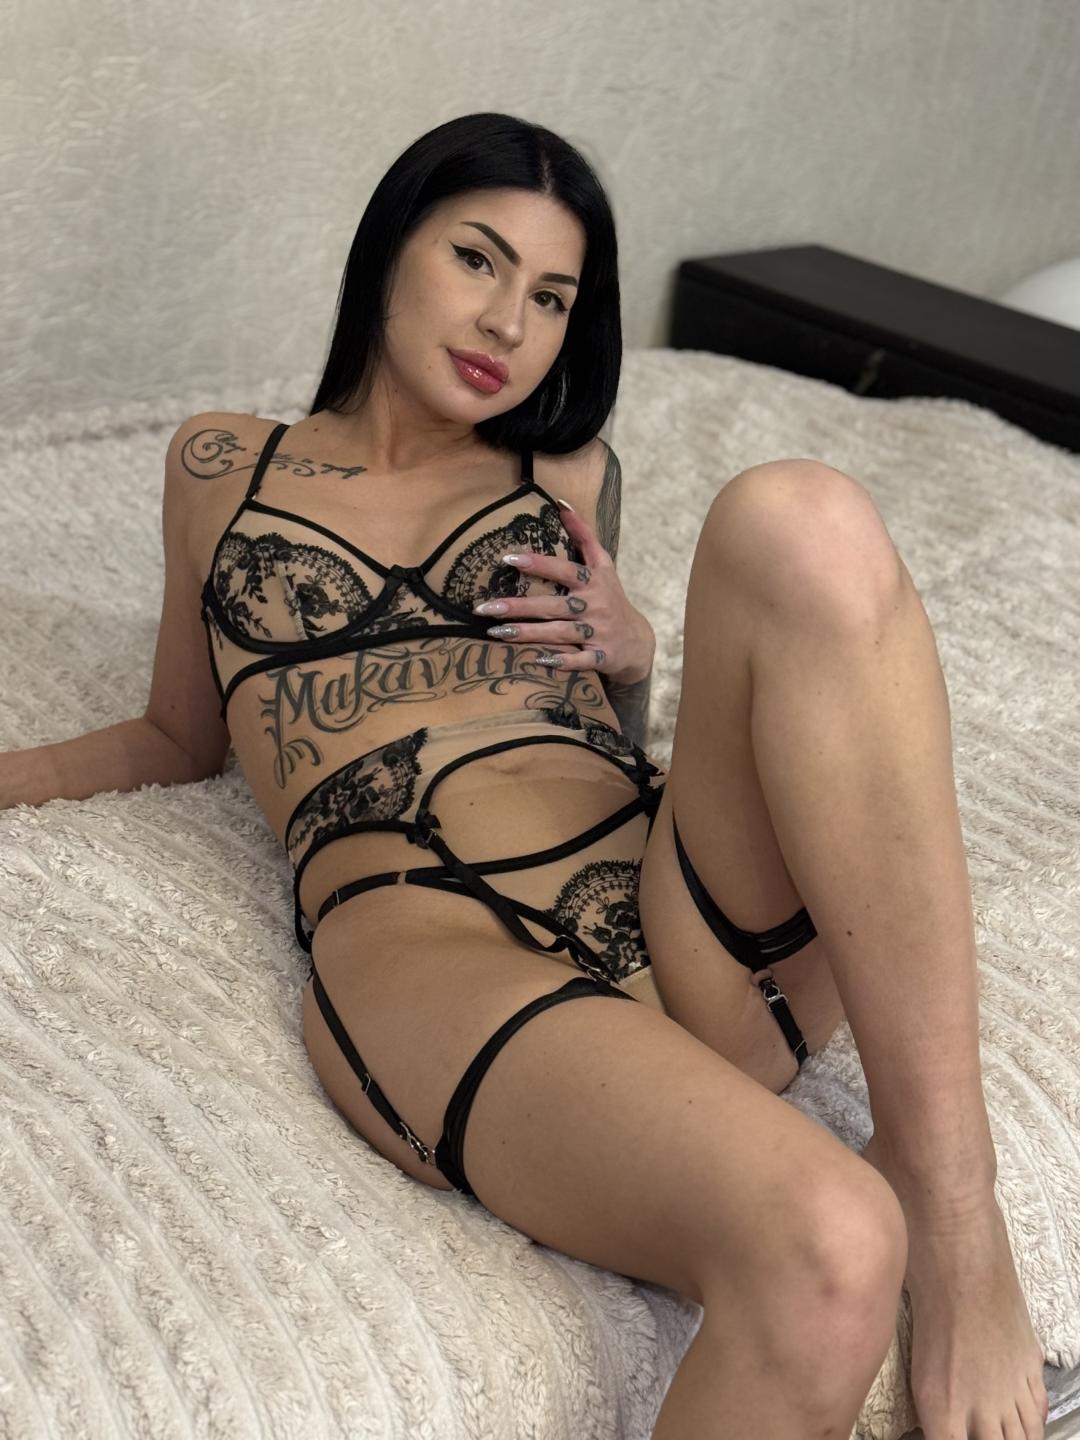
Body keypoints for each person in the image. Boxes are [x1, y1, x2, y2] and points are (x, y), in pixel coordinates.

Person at [2, 112, 1048, 1440]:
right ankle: (898, 1211)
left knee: (805, 518)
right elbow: (177, 738)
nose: (507, 321)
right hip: (438, 944)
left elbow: (608, 728)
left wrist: (633, 655)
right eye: (477, 260)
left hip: (666, 904)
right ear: (391, 248)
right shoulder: (220, 466)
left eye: (552, 297)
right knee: (835, 1245)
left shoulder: (567, 473)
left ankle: (953, 1200)